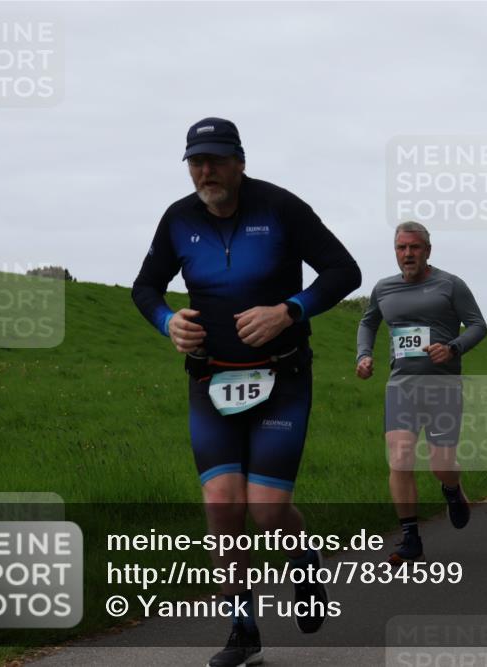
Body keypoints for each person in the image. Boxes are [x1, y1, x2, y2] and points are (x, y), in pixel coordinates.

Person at [132, 117, 361, 667]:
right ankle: (242, 627)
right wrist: (167, 321)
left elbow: (343, 270)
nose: (204, 171)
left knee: (267, 508)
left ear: (239, 161)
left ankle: (303, 568)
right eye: (195, 161)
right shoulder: (177, 219)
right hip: (210, 379)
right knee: (221, 504)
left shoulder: (281, 208)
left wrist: (290, 310)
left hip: (281, 377)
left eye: (214, 159)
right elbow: (145, 287)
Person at [356, 221, 487, 565]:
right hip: (401, 386)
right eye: (402, 248)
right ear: (395, 251)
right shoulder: (383, 289)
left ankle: (451, 489)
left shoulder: (450, 285)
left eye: (414, 247)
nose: (408, 254)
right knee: (399, 456)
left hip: (442, 386)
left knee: (442, 465)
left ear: (427, 251)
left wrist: (453, 348)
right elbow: (368, 322)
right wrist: (364, 355)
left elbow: (478, 325)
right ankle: (410, 538)